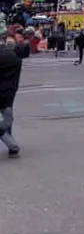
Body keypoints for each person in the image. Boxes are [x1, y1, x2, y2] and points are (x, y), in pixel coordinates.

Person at [0, 21, 30, 158]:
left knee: (7, 120)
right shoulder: (16, 60)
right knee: (7, 119)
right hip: (8, 94)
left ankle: (11, 145)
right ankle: (11, 145)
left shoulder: (6, 54)